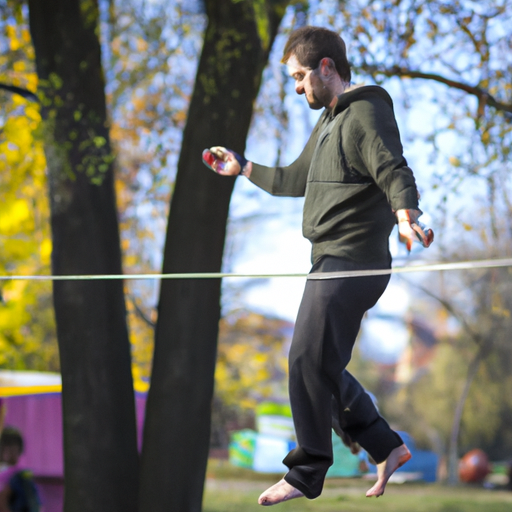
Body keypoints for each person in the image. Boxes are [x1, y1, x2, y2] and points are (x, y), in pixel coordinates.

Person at [202, 26, 433, 506]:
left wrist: (407, 214)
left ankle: (307, 470)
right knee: (321, 367)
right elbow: (292, 179)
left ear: (327, 67)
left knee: (306, 360)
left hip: (353, 260)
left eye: (302, 76)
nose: (297, 87)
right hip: (328, 261)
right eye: (293, 79)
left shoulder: (365, 110)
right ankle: (384, 445)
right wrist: (242, 167)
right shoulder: (327, 123)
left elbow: (392, 166)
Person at [0, 427, 41, 512]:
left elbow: (34, 501)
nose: (10, 451)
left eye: (14, 447)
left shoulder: (21, 475)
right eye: (6, 446)